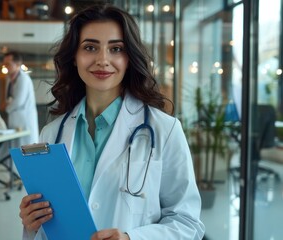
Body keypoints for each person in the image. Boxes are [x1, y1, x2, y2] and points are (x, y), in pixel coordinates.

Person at [18, 4, 205, 240]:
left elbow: (188, 223)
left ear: (129, 58)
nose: (103, 59)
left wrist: (131, 238)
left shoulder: (164, 130)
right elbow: (47, 226)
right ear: (74, 58)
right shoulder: (51, 134)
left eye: (116, 48)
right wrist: (32, 223)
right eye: (90, 47)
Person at [3, 51, 39, 147]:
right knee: (15, 151)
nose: (5, 66)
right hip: (15, 120)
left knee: (27, 150)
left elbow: (18, 101)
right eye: (4, 64)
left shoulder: (24, 79)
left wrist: (7, 108)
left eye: (8, 64)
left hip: (25, 120)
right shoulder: (9, 79)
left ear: (18, 64)